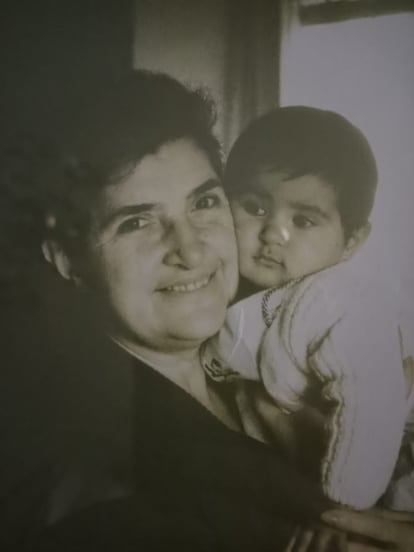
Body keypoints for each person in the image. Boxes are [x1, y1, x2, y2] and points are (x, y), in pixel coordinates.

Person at [1, 71, 413, 551]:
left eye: (204, 202)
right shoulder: (96, 487)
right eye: (136, 222)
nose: (191, 251)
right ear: (69, 260)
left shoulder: (263, 343)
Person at [202, 107, 414, 510]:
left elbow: (369, 407)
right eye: (255, 207)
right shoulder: (226, 293)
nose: (272, 234)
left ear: (351, 241)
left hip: (375, 478)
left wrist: (337, 508)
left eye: (303, 220)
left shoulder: (340, 301)